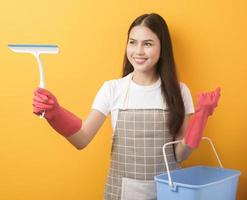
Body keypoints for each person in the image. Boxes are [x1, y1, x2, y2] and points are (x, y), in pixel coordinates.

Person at [32, 13, 221, 200]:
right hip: (121, 192)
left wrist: (202, 116)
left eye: (147, 44)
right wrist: (55, 113)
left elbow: (180, 155)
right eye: (132, 42)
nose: (138, 51)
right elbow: (81, 139)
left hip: (169, 191)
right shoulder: (112, 89)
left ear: (162, 48)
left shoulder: (179, 92)